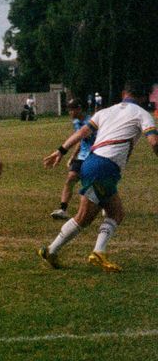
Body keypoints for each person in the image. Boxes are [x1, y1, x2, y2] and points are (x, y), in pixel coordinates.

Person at [39, 83, 158, 271]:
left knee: (115, 213)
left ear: (123, 93)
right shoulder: (142, 114)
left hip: (94, 163)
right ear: (143, 98)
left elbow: (81, 133)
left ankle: (94, 251)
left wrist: (61, 150)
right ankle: (54, 250)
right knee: (84, 217)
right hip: (104, 167)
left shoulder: (105, 111)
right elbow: (154, 141)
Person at [50, 99, 95, 220]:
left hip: (95, 155)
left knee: (93, 183)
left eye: (72, 109)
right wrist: (73, 156)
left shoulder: (91, 122)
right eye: (69, 109)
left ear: (79, 109)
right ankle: (63, 209)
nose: (70, 112)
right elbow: (79, 140)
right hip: (82, 156)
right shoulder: (76, 122)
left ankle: (103, 205)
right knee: (70, 179)